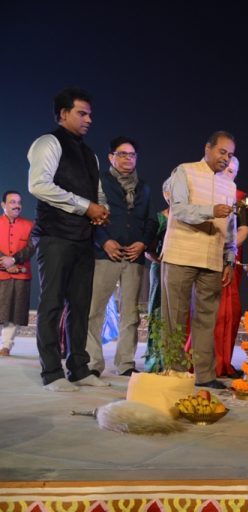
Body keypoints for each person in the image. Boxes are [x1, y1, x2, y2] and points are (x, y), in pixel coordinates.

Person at [27, 87, 111, 391]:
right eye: (82, 113)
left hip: (83, 238)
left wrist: (101, 209)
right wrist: (85, 206)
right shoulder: (48, 142)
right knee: (51, 304)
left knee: (80, 304)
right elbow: (39, 185)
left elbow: (98, 191)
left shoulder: (90, 154)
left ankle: (79, 367)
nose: (89, 119)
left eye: (90, 114)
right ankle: (51, 372)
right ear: (64, 114)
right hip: (55, 236)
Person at [160, 131, 237, 389]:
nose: (226, 158)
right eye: (222, 152)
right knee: (176, 317)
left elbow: (231, 225)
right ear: (208, 148)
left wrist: (229, 257)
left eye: (230, 155)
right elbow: (179, 209)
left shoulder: (229, 185)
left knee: (207, 318)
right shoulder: (184, 171)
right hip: (181, 254)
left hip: (212, 258)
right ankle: (175, 372)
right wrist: (210, 211)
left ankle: (206, 376)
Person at [85, 137, 157, 377]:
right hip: (105, 253)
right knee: (95, 309)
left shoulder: (144, 187)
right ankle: (93, 363)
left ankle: (125, 363)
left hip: (134, 256)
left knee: (130, 314)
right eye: (123, 154)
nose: (128, 159)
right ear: (111, 158)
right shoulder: (100, 182)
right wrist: (104, 240)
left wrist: (143, 243)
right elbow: (91, 215)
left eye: (132, 154)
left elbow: (150, 220)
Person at [213, 156, 248, 378]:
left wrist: (227, 247)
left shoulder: (241, 199)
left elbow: (244, 229)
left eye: (233, 169)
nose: (228, 170)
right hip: (204, 256)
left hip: (229, 259)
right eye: (226, 166)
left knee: (228, 312)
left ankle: (223, 362)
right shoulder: (206, 193)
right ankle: (196, 361)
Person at [0, 191, 35, 357]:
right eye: (12, 202)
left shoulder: (29, 225)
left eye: (19, 202)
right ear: (3, 205)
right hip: (1, 274)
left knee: (13, 312)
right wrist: (5, 264)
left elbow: (30, 248)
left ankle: (6, 346)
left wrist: (13, 260)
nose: (16, 205)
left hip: (20, 275)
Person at [143, 181, 171, 372]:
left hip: (182, 271)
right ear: (166, 194)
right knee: (158, 311)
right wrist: (161, 261)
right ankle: (156, 358)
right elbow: (147, 249)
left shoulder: (188, 218)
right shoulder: (159, 218)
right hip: (160, 269)